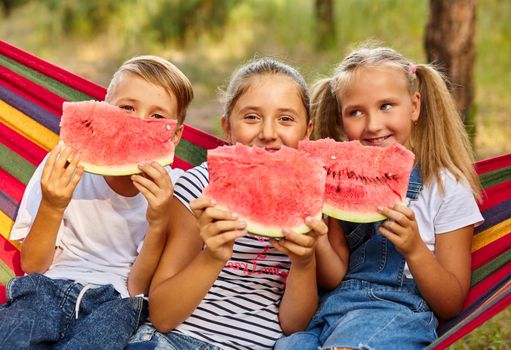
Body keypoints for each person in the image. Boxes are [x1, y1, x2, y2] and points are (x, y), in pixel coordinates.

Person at [275, 46, 484, 349]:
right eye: (356, 112)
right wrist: (316, 231)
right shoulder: (334, 179)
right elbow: (333, 277)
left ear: (414, 106)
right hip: (328, 312)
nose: (372, 125)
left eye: (386, 106)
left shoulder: (446, 187)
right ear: (341, 118)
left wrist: (414, 248)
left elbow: (451, 302)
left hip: (395, 313)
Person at [127, 58, 328, 350]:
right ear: (227, 127)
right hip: (173, 340)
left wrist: (304, 263)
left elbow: (294, 326)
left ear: (307, 131)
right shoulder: (197, 189)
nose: (269, 133)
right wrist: (213, 256)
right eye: (251, 117)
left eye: (285, 119)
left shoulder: (310, 198)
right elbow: (162, 316)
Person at [0, 55, 194, 349]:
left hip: (117, 304)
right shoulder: (63, 165)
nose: (138, 124)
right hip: (46, 287)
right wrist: (53, 205)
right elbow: (33, 264)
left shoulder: (175, 189)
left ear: (176, 134)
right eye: (127, 108)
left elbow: (137, 287)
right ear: (104, 111)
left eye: (157, 117)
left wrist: (158, 223)